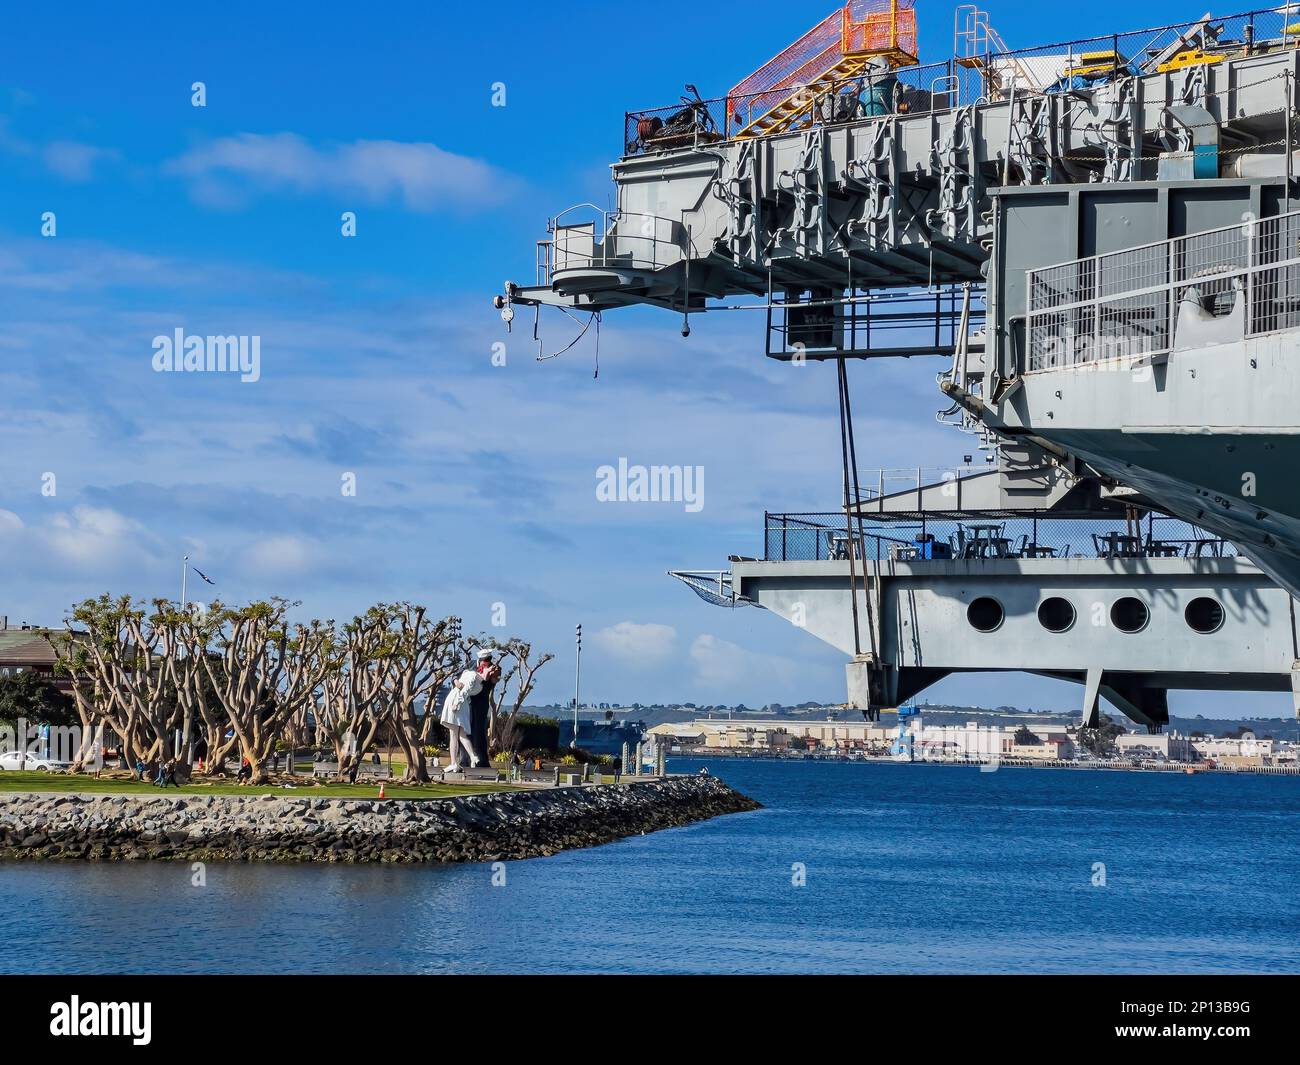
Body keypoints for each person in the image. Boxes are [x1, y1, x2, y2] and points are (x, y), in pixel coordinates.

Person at [440, 669, 482, 771]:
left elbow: (464, 692)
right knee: (461, 734)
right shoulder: (478, 684)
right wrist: (456, 681)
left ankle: (454, 762)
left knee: (453, 734)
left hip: (457, 701)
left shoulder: (472, 676)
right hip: (462, 703)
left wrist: (456, 704)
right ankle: (472, 756)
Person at [468, 649, 501, 768]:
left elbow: (491, 681)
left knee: (479, 730)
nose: (488, 662)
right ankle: (466, 757)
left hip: (481, 702)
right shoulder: (471, 665)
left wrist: (490, 674)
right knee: (466, 729)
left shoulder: (495, 668)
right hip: (468, 701)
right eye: (485, 660)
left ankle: (481, 759)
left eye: (489, 659)